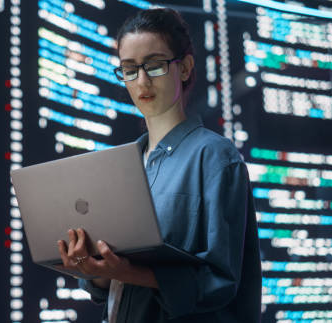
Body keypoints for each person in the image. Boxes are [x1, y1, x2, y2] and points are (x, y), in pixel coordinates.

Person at [56, 8, 262, 323]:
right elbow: (108, 289)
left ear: (185, 67)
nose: (141, 81)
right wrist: (94, 269)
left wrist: (132, 272)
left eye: (154, 65)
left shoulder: (216, 157)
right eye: (129, 69)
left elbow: (220, 282)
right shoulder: (119, 168)